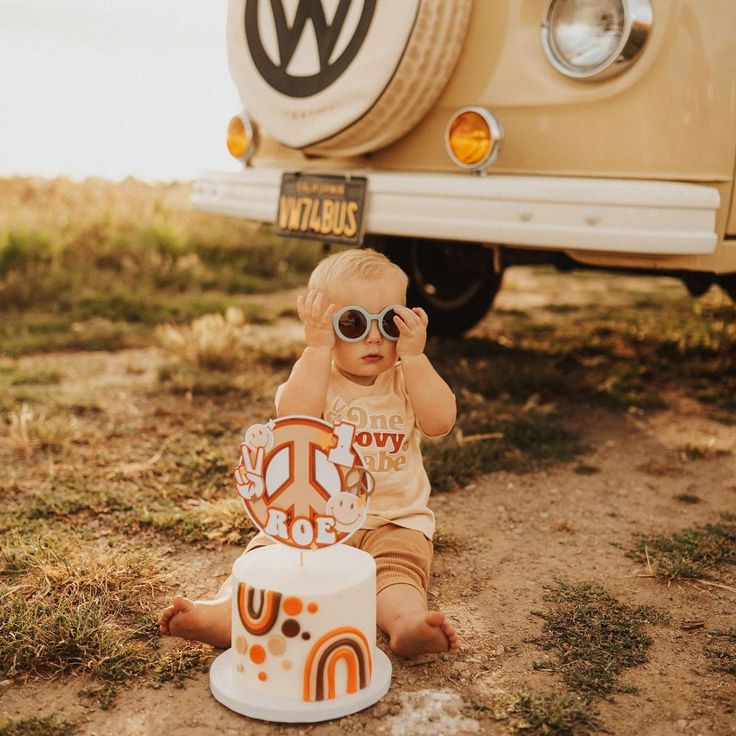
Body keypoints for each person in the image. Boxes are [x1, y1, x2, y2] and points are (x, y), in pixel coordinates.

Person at [158, 248, 459, 658]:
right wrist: (317, 351)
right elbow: (293, 416)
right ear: (324, 327)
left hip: (395, 520)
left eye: (389, 322)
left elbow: (440, 421)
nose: (374, 337)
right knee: (271, 556)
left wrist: (416, 357)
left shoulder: (406, 377)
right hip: (313, 517)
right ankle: (228, 615)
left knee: (397, 574)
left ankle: (406, 624)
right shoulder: (319, 375)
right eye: (352, 323)